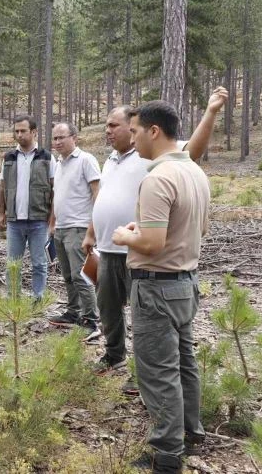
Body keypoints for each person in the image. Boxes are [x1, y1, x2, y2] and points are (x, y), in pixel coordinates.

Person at [85, 87, 228, 375]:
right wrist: (91, 231)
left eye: (114, 126)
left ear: (135, 128)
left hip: (141, 251)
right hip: (108, 249)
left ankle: (145, 371)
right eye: (106, 127)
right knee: (109, 309)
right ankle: (114, 355)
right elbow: (103, 199)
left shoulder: (151, 153)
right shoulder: (110, 160)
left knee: (146, 318)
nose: (108, 131)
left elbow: (194, 151)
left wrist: (211, 112)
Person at [111, 100, 213, 474]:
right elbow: (193, 229)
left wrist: (125, 235)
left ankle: (167, 455)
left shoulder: (157, 178)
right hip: (186, 282)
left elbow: (153, 245)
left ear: (154, 131)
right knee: (185, 364)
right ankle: (189, 433)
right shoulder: (194, 173)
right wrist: (147, 232)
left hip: (157, 287)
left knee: (158, 372)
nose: (132, 138)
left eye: (135, 131)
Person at [48, 122, 101, 339]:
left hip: (79, 227)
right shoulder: (59, 163)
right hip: (61, 227)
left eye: (62, 137)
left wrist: (93, 228)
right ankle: (73, 311)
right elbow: (57, 196)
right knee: (68, 275)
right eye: (55, 138)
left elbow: (98, 193)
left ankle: (91, 319)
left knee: (82, 276)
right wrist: (52, 223)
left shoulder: (86, 160)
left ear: (74, 138)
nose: (58, 142)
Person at [0, 116, 56, 300]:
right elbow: (2, 186)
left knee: (39, 263)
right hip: (15, 221)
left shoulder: (46, 157)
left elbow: (55, 188)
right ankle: (13, 300)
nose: (19, 134)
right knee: (13, 264)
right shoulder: (9, 157)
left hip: (39, 220)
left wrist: (52, 218)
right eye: (16, 131)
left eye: (23, 131)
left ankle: (38, 298)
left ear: (34, 132)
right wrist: (1, 213)